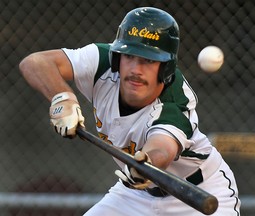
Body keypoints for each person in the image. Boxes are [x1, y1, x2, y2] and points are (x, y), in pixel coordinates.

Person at [19, 7, 241, 216]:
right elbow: (35, 63)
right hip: (135, 195)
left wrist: (146, 165)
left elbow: (162, 149)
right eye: (129, 56)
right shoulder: (101, 62)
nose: (135, 69)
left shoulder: (174, 101)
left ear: (165, 68)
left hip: (198, 192)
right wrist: (63, 97)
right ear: (117, 57)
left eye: (148, 60)